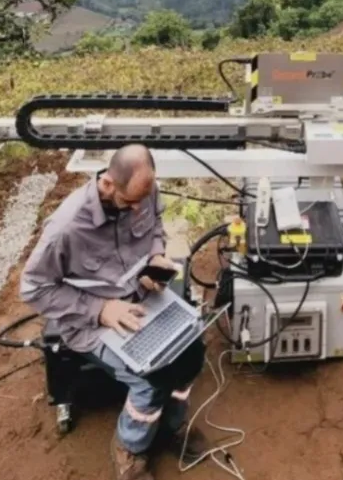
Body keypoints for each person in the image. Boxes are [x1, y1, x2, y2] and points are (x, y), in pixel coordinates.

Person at [21, 144, 208, 480]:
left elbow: (155, 229)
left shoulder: (144, 191)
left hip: (143, 297)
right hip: (90, 322)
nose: (138, 208)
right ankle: (130, 447)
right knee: (151, 379)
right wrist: (101, 309)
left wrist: (154, 258)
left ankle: (173, 424)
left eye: (142, 200)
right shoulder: (66, 228)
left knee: (192, 352)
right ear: (108, 184)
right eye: (130, 202)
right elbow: (34, 288)